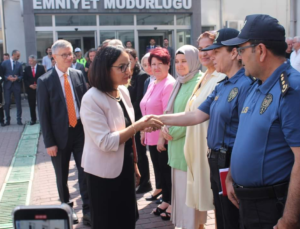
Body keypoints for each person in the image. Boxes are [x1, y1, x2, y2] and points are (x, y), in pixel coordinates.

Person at [148, 28, 253, 229]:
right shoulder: (223, 84)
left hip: (231, 161)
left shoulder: (246, 84)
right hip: (216, 159)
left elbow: (246, 134)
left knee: (233, 219)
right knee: (222, 216)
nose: (211, 56)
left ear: (233, 53)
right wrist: (157, 119)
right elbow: (196, 115)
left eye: (216, 51)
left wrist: (232, 171)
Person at [221, 14, 300, 229]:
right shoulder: (257, 85)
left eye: (242, 50)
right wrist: (232, 176)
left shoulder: (292, 90)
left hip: (272, 207)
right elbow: (247, 135)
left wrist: (289, 220)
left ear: (261, 51)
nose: (239, 56)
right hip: (246, 200)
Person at [80, 45, 163, 229]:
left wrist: (133, 164)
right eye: (122, 67)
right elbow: (106, 142)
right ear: (104, 68)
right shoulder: (91, 98)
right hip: (102, 174)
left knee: (127, 219)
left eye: (129, 65)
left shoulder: (122, 91)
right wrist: (139, 126)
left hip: (124, 167)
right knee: (108, 222)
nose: (129, 71)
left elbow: (127, 133)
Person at [37, 40, 90, 226]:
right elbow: (43, 115)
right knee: (62, 175)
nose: (70, 57)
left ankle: (89, 210)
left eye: (71, 54)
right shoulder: (45, 81)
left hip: (80, 133)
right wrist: (49, 142)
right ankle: (67, 208)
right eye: (65, 55)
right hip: (59, 137)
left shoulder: (78, 74)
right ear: (54, 57)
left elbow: (86, 103)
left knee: (85, 172)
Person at [184, 31, 225, 228]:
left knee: (216, 199)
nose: (205, 53)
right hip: (195, 144)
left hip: (209, 145)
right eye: (201, 48)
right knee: (201, 196)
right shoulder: (204, 75)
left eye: (210, 48)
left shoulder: (221, 76)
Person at [160, 45, 203, 226]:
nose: (180, 65)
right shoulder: (181, 81)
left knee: (190, 200)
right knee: (181, 195)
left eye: (184, 61)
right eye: (177, 61)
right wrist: (164, 128)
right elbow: (173, 111)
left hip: (188, 147)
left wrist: (171, 131)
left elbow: (196, 115)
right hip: (176, 148)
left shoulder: (199, 82)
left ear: (194, 61)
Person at [140, 47, 175, 216]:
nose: (156, 68)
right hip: (150, 136)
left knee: (167, 172)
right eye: (152, 64)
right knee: (159, 172)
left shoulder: (169, 84)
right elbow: (146, 108)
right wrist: (142, 131)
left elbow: (167, 113)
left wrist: (162, 137)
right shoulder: (153, 82)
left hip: (163, 137)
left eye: (160, 64)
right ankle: (166, 199)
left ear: (168, 65)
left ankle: (172, 203)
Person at [126, 48, 152, 194]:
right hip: (129, 121)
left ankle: (146, 182)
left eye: (129, 59)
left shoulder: (141, 76)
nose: (127, 62)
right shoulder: (126, 75)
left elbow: (139, 100)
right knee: (133, 152)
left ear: (135, 60)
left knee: (141, 153)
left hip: (137, 119)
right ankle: (138, 179)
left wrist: (130, 115)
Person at [1, 50, 23, 126]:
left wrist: (18, 78)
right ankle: (8, 120)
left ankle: (19, 120)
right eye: (18, 55)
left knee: (18, 103)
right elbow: (2, 74)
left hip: (16, 86)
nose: (19, 57)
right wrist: (7, 78)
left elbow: (21, 76)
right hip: (7, 86)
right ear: (13, 55)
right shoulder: (4, 63)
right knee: (7, 103)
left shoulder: (19, 64)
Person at [23, 55, 45, 125]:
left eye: (31, 61)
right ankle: (33, 119)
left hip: (39, 89)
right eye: (29, 61)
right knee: (31, 105)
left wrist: (38, 85)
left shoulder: (41, 68)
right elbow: (25, 79)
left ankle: (42, 119)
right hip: (30, 89)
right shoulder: (26, 69)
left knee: (41, 105)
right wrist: (30, 85)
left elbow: (44, 77)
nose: (30, 62)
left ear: (35, 61)